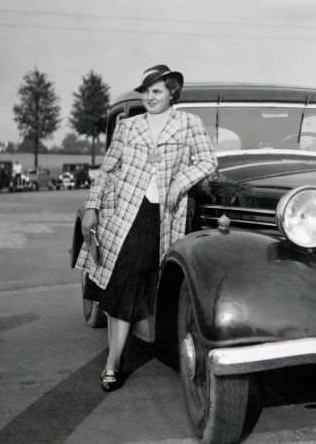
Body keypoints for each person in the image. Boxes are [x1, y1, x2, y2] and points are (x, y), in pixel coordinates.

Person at [75, 64, 217, 392]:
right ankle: (113, 362)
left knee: (147, 283)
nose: (150, 97)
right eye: (146, 92)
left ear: (171, 93)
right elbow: (107, 169)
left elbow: (207, 161)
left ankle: (134, 347)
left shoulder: (189, 124)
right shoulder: (128, 126)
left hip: (164, 216)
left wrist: (179, 182)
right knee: (120, 283)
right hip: (122, 214)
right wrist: (92, 207)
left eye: (156, 91)